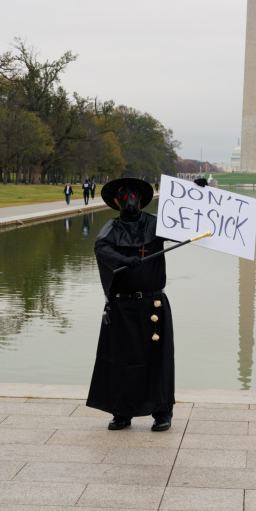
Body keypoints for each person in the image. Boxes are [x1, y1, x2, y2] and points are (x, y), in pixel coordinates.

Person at [87, 177, 174, 432]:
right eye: (123, 195)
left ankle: (161, 413)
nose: (129, 199)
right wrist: (123, 258)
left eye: (133, 194)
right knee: (120, 359)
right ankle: (122, 411)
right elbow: (101, 248)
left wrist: (196, 195)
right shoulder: (111, 228)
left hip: (152, 305)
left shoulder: (157, 225)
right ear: (116, 201)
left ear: (141, 198)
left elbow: (187, 227)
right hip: (122, 306)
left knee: (157, 359)